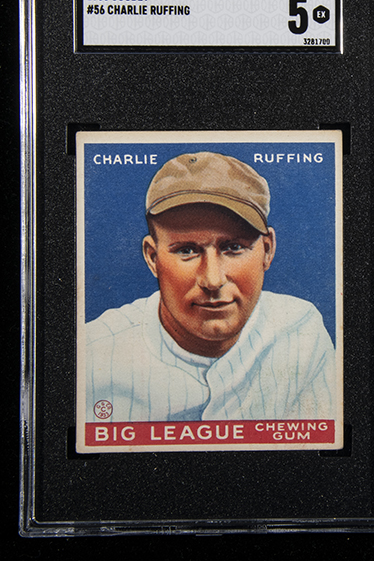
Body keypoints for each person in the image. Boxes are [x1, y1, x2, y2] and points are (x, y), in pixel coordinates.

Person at [85, 151, 336, 422]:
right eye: (187, 250)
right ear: (153, 258)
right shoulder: (93, 353)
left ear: (267, 250)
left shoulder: (301, 330)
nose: (213, 280)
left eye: (234, 247)